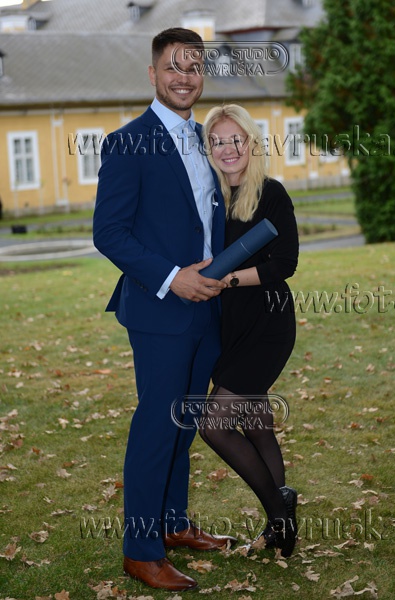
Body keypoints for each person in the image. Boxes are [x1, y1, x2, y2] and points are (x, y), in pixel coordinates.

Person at [93, 28, 236, 592]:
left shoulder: (206, 139)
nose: (184, 77)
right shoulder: (127, 143)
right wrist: (174, 278)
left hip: (209, 308)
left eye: (193, 67)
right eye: (173, 67)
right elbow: (109, 233)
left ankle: (174, 524)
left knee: (184, 425)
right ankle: (141, 550)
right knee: (156, 427)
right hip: (160, 311)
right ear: (153, 74)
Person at [200, 104, 299, 558]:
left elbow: (284, 264)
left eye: (235, 139)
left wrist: (229, 279)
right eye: (217, 141)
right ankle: (279, 527)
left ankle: (280, 514)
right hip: (231, 327)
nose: (227, 149)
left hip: (267, 323)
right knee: (257, 425)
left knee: (214, 425)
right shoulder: (210, 200)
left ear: (251, 143)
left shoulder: (271, 193)